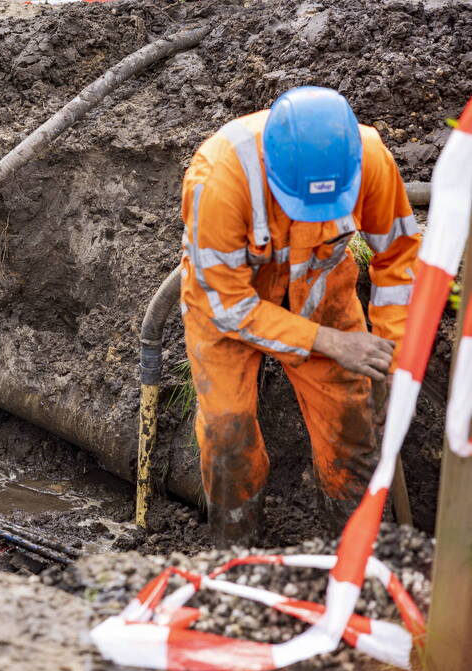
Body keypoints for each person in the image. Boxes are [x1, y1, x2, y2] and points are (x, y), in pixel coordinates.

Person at [179, 86, 420, 545]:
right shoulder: (220, 179)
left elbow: (400, 261)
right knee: (227, 430)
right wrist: (329, 343)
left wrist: (397, 352)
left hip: (323, 297)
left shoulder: (368, 158)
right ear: (273, 170)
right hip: (229, 305)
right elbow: (226, 304)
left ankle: (352, 555)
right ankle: (237, 552)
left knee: (351, 429)